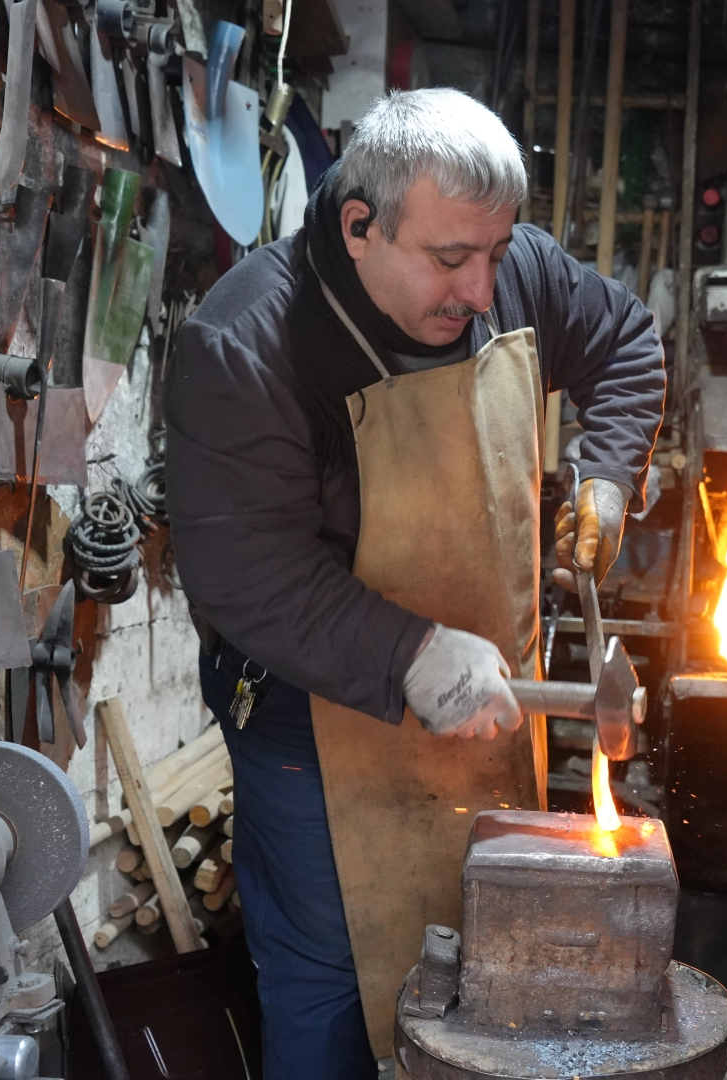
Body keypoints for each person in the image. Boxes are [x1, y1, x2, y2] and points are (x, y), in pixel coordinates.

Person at [164, 88, 666, 1079]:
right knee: (335, 985)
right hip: (314, 714)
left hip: (489, 699)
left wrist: (606, 480)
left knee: (485, 957)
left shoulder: (509, 272)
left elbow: (625, 346)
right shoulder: (246, 344)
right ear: (360, 226)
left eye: (498, 250)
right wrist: (411, 653)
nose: (483, 290)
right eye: (449, 261)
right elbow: (245, 574)